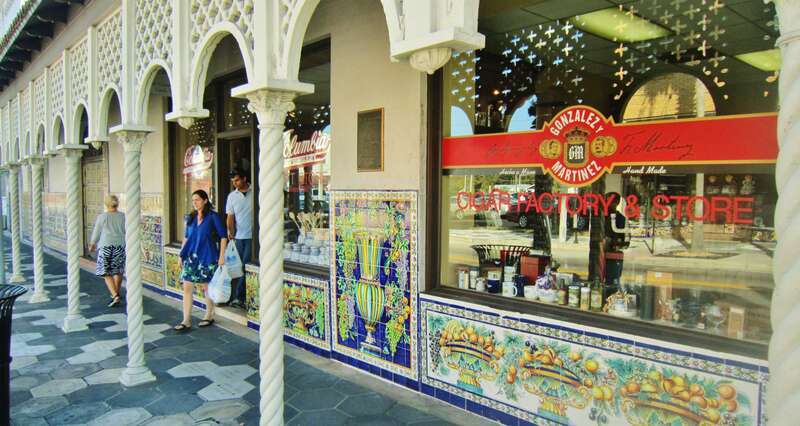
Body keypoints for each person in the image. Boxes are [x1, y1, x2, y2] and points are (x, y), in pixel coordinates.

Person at [175, 189, 228, 331]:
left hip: (207, 256)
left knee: (206, 287)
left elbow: (223, 236)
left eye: (197, 200)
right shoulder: (191, 218)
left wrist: (221, 256)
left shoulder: (213, 217)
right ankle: (186, 320)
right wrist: (181, 255)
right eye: (193, 200)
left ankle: (209, 315)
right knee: (187, 287)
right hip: (191, 256)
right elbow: (186, 237)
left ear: (205, 200)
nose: (195, 203)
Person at [89, 194, 126, 308]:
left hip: (105, 246)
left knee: (105, 272)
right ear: (117, 204)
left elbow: (97, 232)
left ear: (106, 204)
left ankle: (115, 295)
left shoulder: (102, 217)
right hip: (120, 245)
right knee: (117, 271)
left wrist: (92, 244)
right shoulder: (123, 216)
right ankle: (116, 293)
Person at [225, 168, 253, 309]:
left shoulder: (256, 191)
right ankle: (238, 297)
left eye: (236, 180)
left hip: (254, 237)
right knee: (240, 267)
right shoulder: (232, 196)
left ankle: (240, 297)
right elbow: (230, 217)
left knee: (247, 265)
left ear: (244, 179)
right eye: (233, 181)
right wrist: (230, 231)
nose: (234, 183)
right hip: (240, 237)